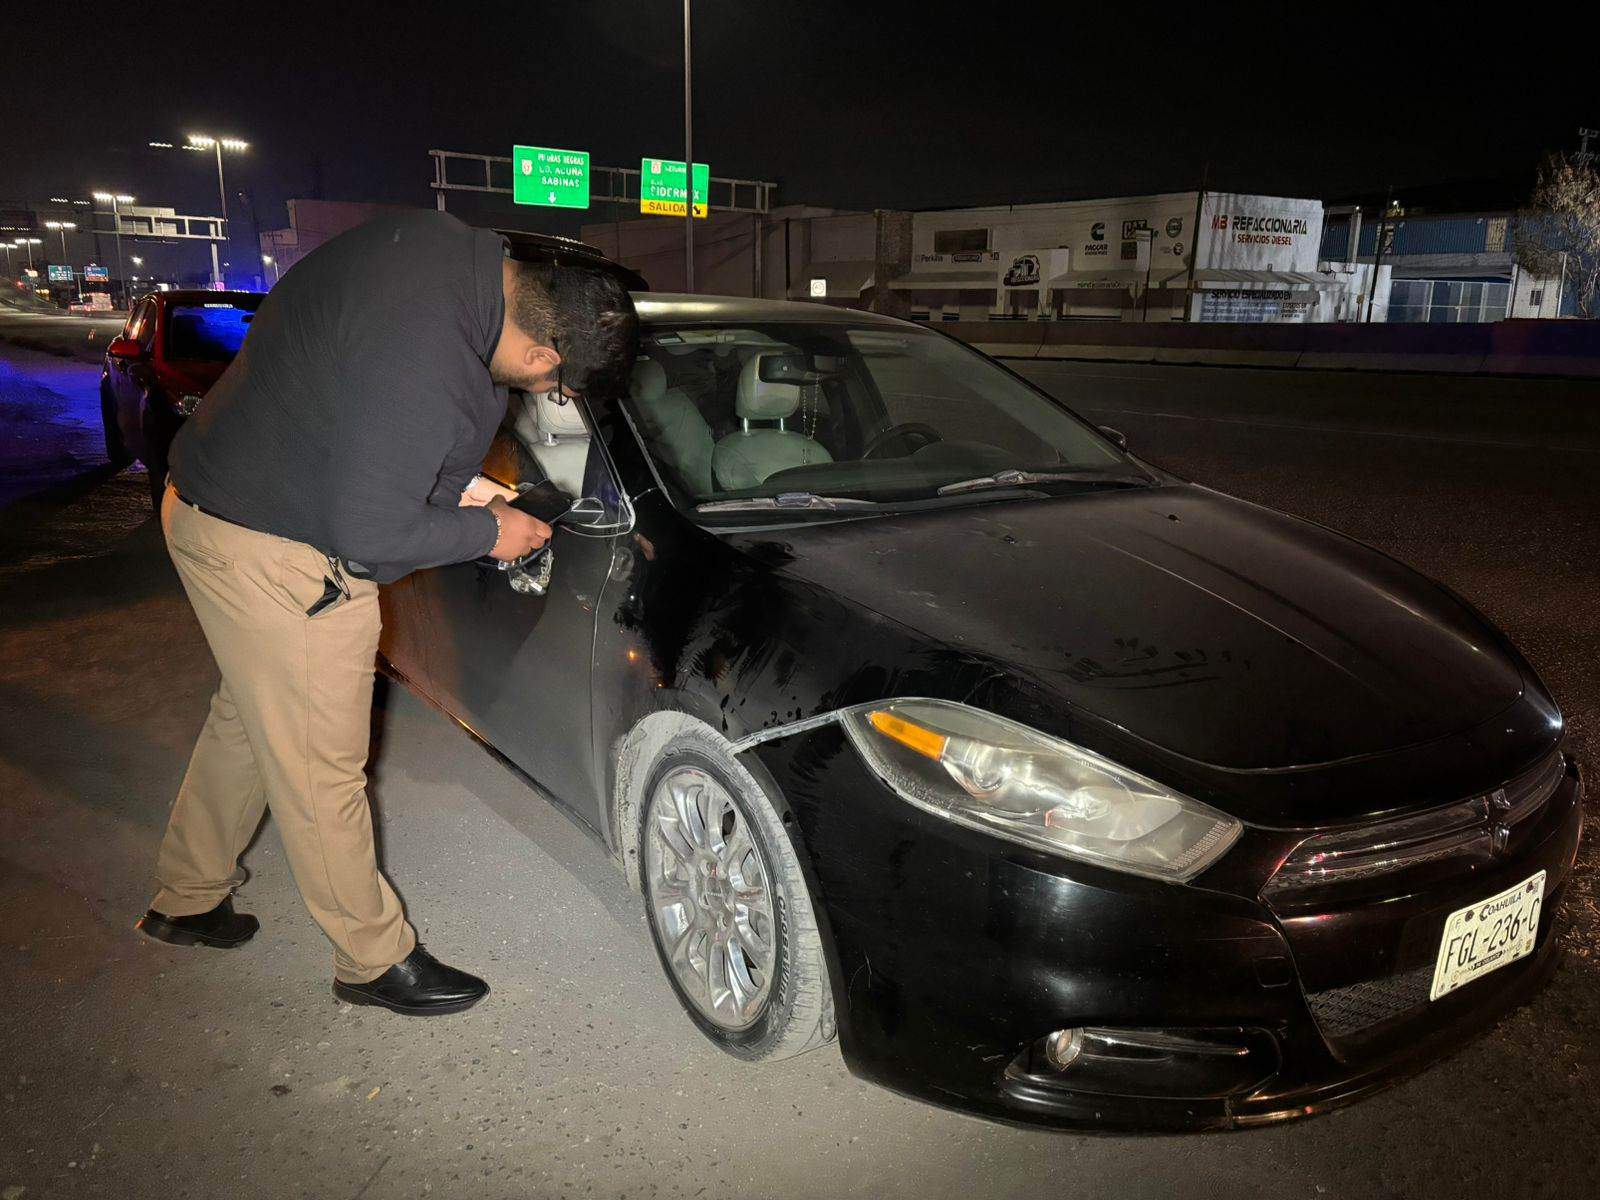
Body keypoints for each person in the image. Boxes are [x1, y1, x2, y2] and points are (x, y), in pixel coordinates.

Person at [135, 210, 638, 1016]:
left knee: (251, 719)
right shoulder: (430, 362)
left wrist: (451, 487)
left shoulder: (445, 253)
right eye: (555, 385)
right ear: (541, 352)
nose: (547, 396)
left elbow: (366, 411)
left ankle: (186, 897)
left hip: (216, 500)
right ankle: (370, 960)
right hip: (276, 544)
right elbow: (370, 538)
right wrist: (489, 530)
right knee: (319, 764)